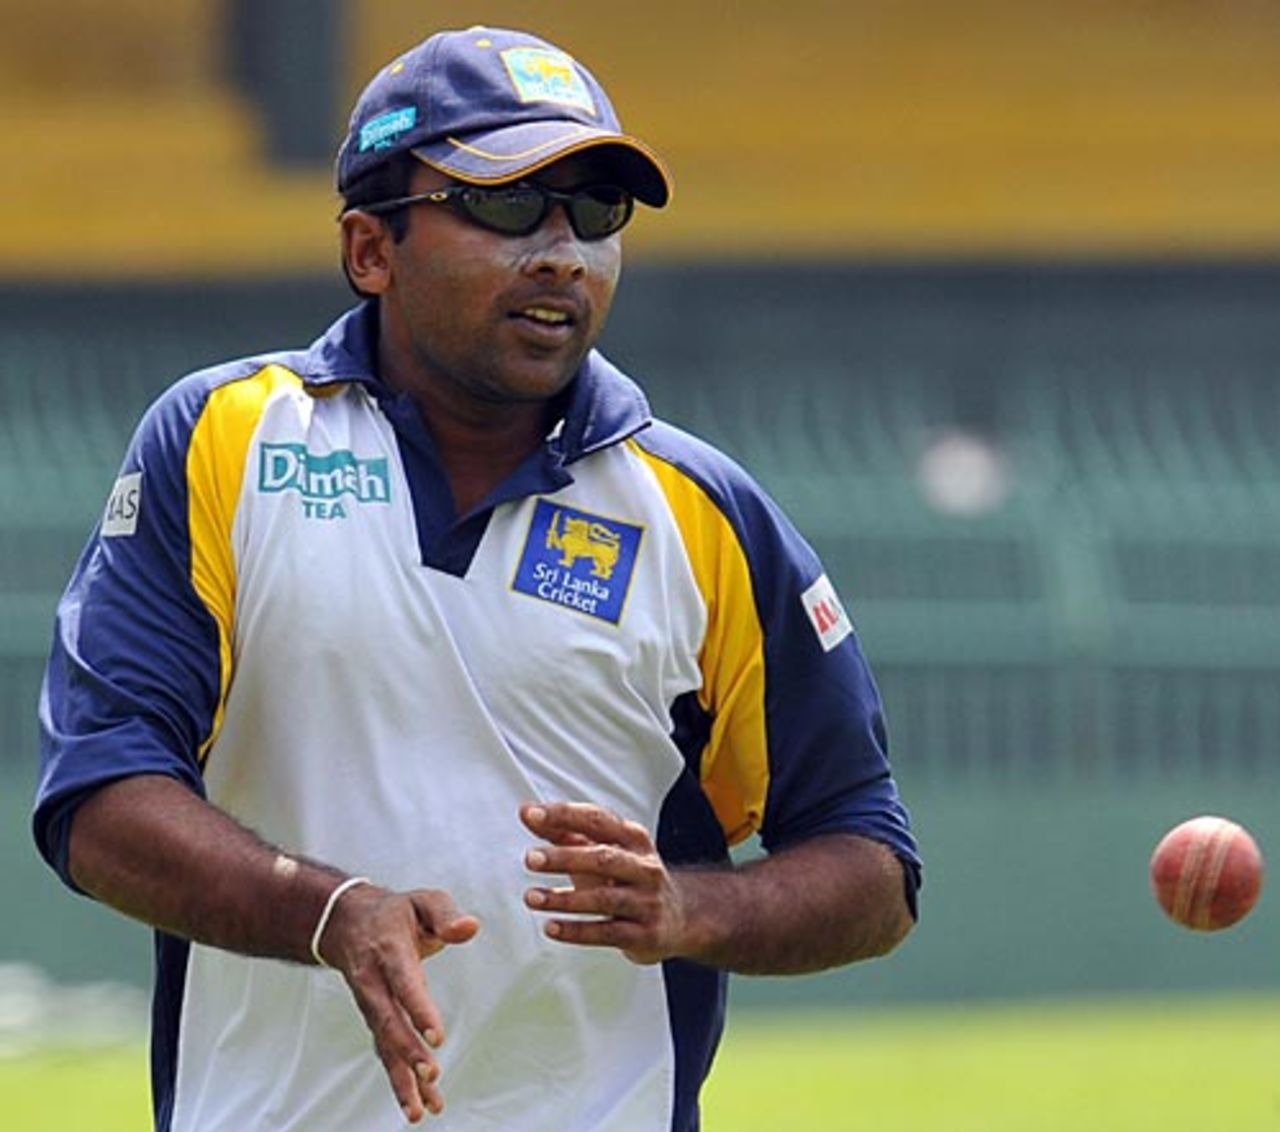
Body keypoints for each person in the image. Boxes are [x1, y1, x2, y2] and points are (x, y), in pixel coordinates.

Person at [33, 24, 921, 1132]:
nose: (562, 253)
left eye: (595, 214)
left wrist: (690, 907)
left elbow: (869, 862)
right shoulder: (220, 441)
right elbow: (99, 797)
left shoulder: (703, 514)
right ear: (370, 249)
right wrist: (329, 912)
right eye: (505, 206)